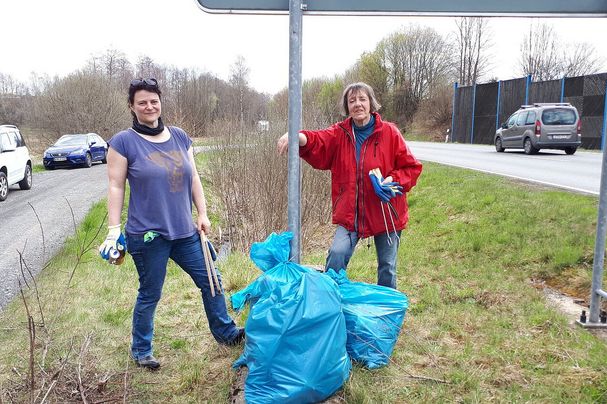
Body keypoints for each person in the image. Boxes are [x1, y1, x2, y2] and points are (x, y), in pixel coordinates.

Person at [99, 78, 244, 370]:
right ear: (132, 106)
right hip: (147, 235)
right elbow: (116, 186)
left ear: (160, 102)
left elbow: (193, 178)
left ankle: (226, 333)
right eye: (142, 102)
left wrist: (202, 214)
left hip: (185, 230)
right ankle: (141, 350)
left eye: (153, 100)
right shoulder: (123, 142)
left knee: (211, 280)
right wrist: (114, 231)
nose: (149, 106)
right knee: (151, 292)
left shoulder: (179, 136)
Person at [277, 82, 422, 289]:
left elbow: (411, 167)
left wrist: (393, 181)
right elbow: (318, 141)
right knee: (336, 255)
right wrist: (297, 136)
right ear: (347, 106)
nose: (358, 104)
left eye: (362, 99)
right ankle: (328, 305)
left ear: (371, 103)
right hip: (350, 214)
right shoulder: (340, 134)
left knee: (387, 266)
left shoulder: (389, 133)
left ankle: (386, 315)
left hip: (386, 212)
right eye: (352, 100)